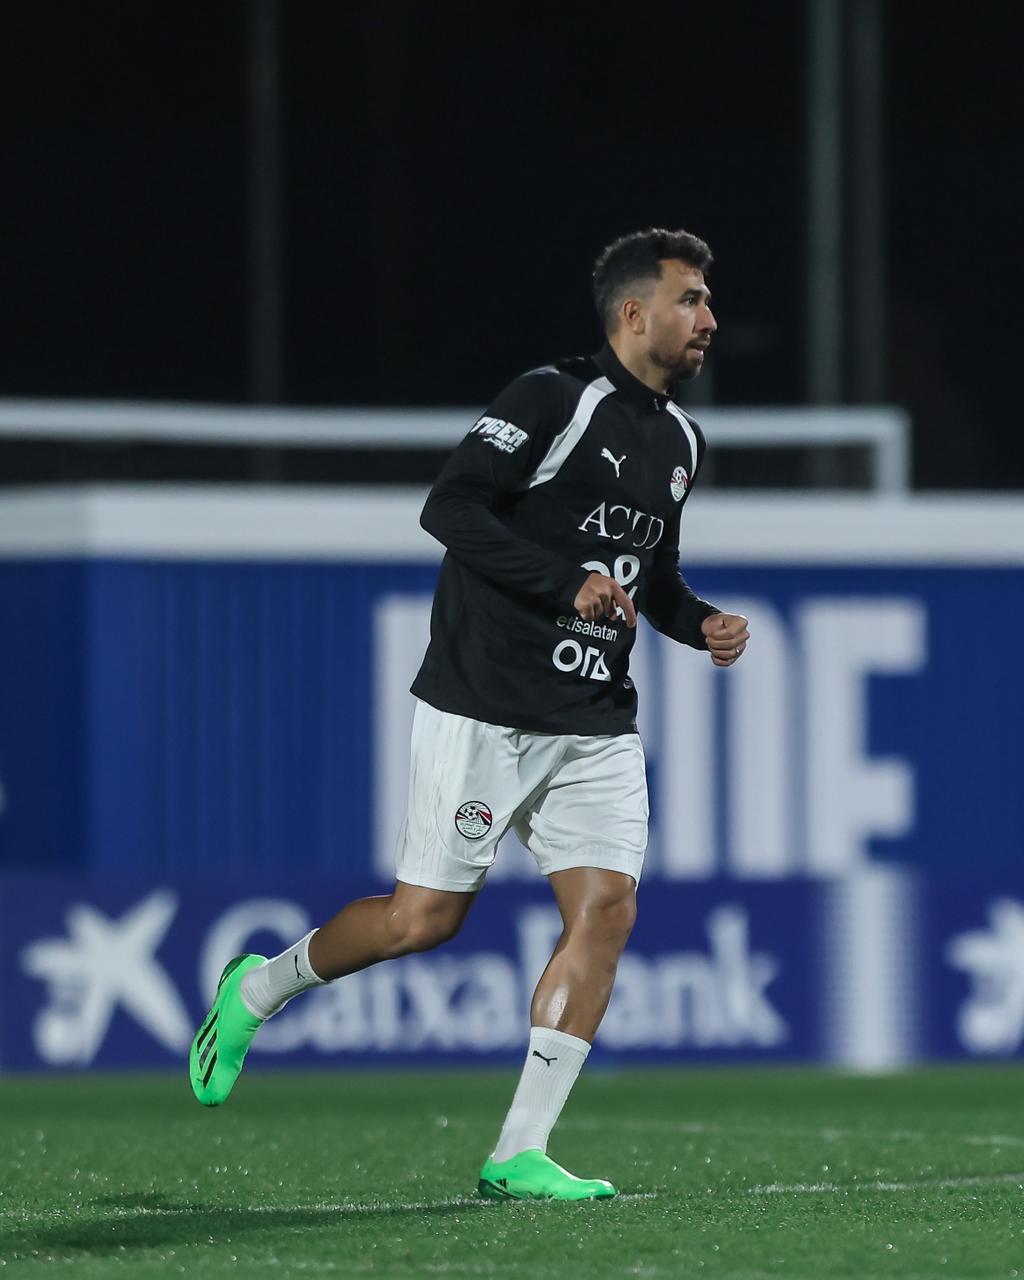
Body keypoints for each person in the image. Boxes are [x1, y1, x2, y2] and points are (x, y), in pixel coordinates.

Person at [189, 226, 750, 1201]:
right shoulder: (552, 397)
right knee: (421, 922)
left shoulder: (682, 441)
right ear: (633, 312)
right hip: (486, 702)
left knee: (607, 908)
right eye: (690, 298)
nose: (709, 316)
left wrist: (697, 620)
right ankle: (257, 988)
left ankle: (517, 1151)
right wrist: (562, 583)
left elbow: (649, 575)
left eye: (706, 299)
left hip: (595, 719)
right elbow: (450, 507)